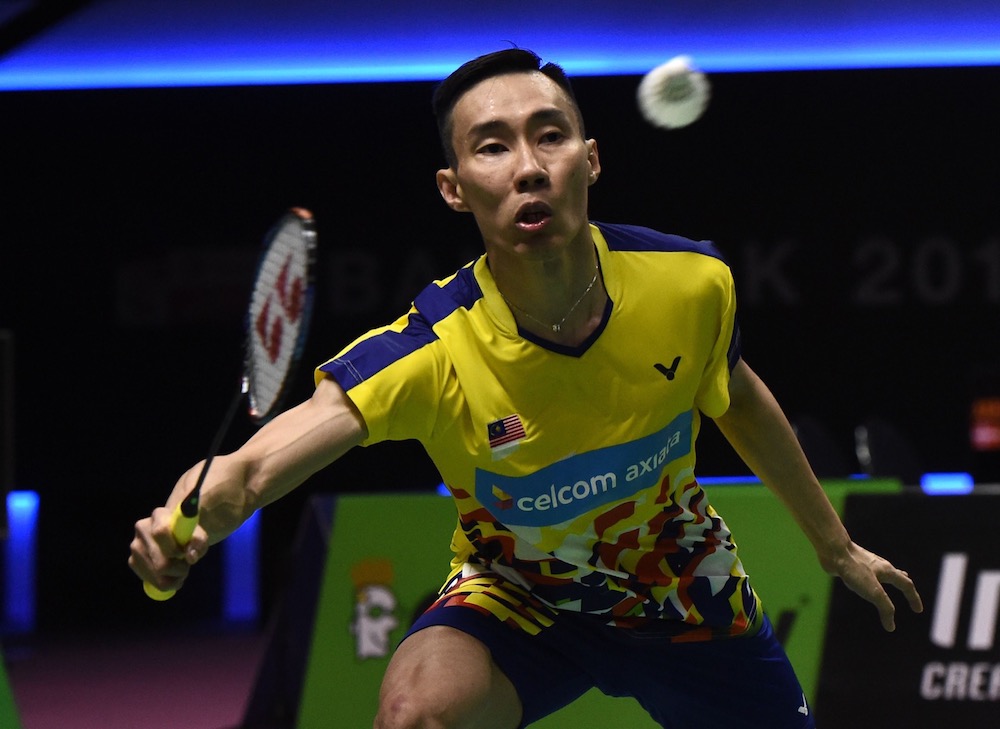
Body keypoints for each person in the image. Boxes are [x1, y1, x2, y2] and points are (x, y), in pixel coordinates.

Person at [129, 49, 924, 728]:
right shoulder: (430, 351)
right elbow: (258, 464)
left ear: (592, 157)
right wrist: (188, 524)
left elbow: (738, 397)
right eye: (492, 147)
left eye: (551, 136)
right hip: (517, 596)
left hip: (682, 584)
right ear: (453, 187)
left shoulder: (690, 285)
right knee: (416, 711)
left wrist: (835, 544)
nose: (530, 166)